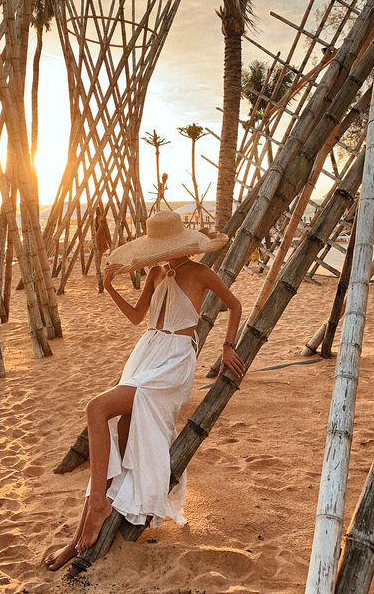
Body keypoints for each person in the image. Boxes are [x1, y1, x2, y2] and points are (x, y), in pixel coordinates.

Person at [45, 210, 244, 571]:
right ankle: (79, 537)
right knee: (120, 432)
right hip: (146, 352)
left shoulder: (201, 272)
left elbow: (234, 305)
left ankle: (99, 507)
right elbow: (138, 318)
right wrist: (109, 287)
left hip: (173, 360)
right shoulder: (155, 273)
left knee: (96, 409)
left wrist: (228, 346)